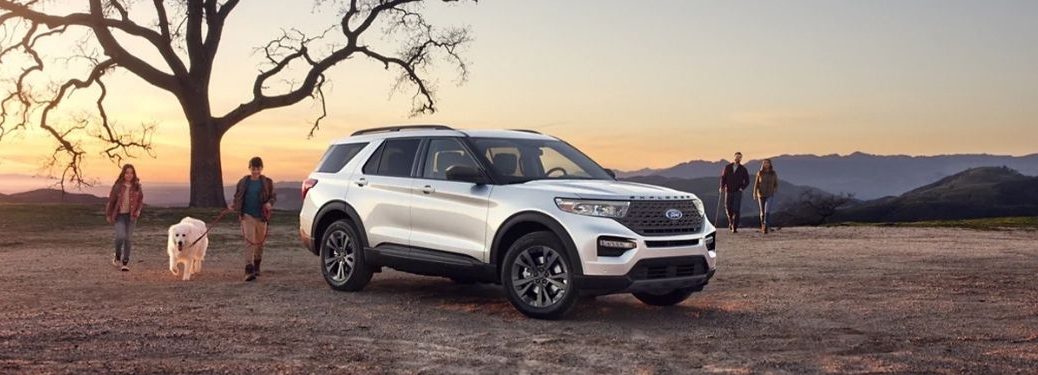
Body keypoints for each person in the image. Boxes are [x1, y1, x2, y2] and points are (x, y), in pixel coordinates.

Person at [230, 156, 277, 282]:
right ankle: (248, 269)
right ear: (249, 168)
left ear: (261, 168)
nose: (255, 171)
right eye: (253, 168)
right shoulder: (243, 182)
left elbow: (273, 197)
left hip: (261, 217)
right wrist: (235, 204)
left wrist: (269, 204)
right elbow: (238, 196)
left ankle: (257, 266)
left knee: (260, 243)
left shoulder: (267, 182)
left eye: (258, 168)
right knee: (249, 241)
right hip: (247, 216)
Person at [105, 164, 144, 272]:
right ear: (123, 173)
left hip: (131, 216)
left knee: (128, 239)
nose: (129, 175)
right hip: (119, 215)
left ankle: (125, 262)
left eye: (131, 173)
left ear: (134, 174)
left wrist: (138, 210)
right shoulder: (117, 186)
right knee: (120, 236)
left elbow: (140, 200)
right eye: (127, 172)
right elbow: (111, 201)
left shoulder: (137, 186)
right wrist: (108, 214)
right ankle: (117, 256)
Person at [719, 152, 750, 233]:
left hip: (737, 191)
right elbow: (723, 178)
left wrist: (742, 188)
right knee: (728, 207)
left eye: (740, 157)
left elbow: (747, 181)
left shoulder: (743, 169)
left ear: (741, 159)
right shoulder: (727, 167)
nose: (738, 158)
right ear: (734, 157)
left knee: (736, 209)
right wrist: (721, 187)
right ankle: (731, 221)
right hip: (728, 190)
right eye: (737, 157)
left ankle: (735, 227)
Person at [753, 159, 779, 234]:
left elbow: (776, 183)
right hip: (761, 194)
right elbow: (756, 184)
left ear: (770, 164)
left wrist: (775, 189)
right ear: (762, 164)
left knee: (767, 211)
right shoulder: (759, 173)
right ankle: (763, 226)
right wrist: (754, 193)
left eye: (767, 163)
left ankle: (766, 226)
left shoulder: (773, 173)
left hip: (770, 194)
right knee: (762, 212)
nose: (766, 164)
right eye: (765, 163)